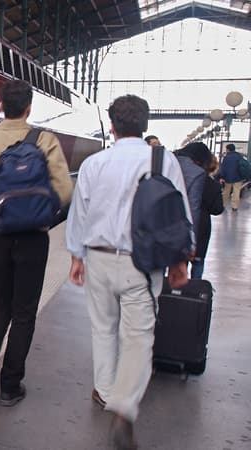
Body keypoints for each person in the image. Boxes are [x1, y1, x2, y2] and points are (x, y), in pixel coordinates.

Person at [66, 94, 191, 449]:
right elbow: (178, 213)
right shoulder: (163, 161)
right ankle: (123, 407)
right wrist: (180, 261)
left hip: (99, 257)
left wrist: (76, 256)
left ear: (112, 126)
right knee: (138, 337)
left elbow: (80, 213)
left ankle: (105, 392)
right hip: (144, 262)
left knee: (103, 328)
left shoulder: (95, 163)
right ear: (145, 125)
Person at [0, 80, 72, 407]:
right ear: (28, 108)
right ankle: (10, 386)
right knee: (24, 312)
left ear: (1, 106)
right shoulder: (45, 141)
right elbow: (64, 191)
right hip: (33, 239)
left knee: (0, 304)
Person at [190, 151, 224, 279]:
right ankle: (194, 291)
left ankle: (174, 293)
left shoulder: (185, 179)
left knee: (179, 262)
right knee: (198, 262)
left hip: (183, 224)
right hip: (202, 225)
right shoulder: (212, 184)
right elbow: (217, 209)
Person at [219, 143, 244, 211]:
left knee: (226, 192)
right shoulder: (239, 156)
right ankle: (235, 206)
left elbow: (223, 168)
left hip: (228, 178)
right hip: (238, 178)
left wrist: (221, 177)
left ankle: (223, 205)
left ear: (228, 149)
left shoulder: (226, 158)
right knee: (236, 192)